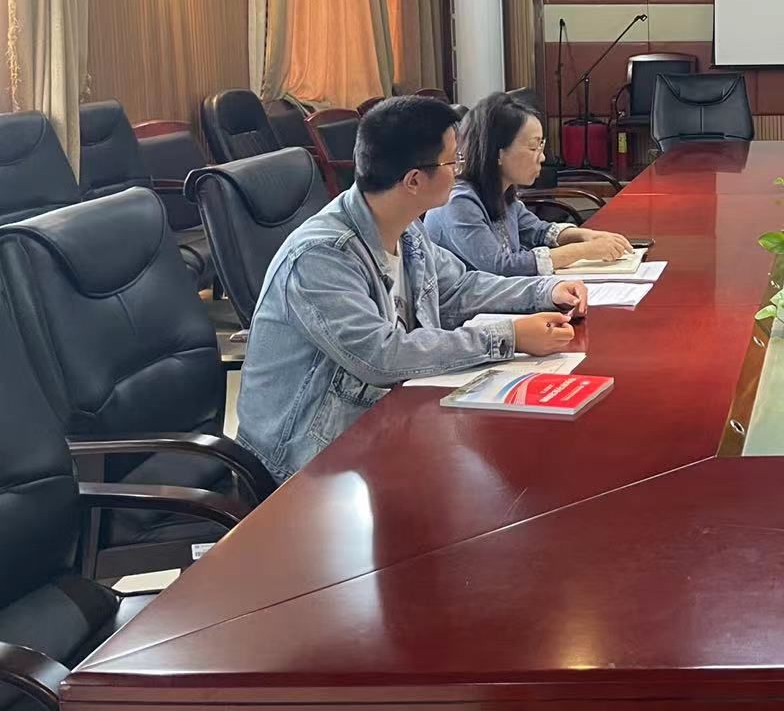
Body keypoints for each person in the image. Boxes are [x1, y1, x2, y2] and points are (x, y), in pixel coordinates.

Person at [236, 96, 591, 481]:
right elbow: (380, 356)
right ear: (414, 181)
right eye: (452, 162)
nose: (460, 172)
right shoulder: (322, 256)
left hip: (384, 423)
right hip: (307, 462)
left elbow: (458, 288)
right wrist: (508, 337)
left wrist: (544, 292)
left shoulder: (405, 228)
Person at [426, 92, 632, 275]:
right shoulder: (458, 201)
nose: (542, 157)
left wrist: (587, 235)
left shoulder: (501, 192)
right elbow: (500, 267)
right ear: (497, 153)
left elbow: (539, 231)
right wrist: (582, 251)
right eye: (533, 148)